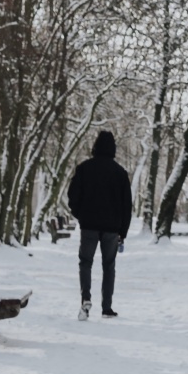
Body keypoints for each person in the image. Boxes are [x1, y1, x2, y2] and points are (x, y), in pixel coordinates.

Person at [67, 130, 132, 320]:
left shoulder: (84, 168)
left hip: (89, 225)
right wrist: (123, 231)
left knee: (85, 262)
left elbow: (72, 196)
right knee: (109, 266)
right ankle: (107, 307)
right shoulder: (120, 173)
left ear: (95, 146)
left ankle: (85, 299)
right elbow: (126, 205)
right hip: (112, 228)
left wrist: (80, 215)